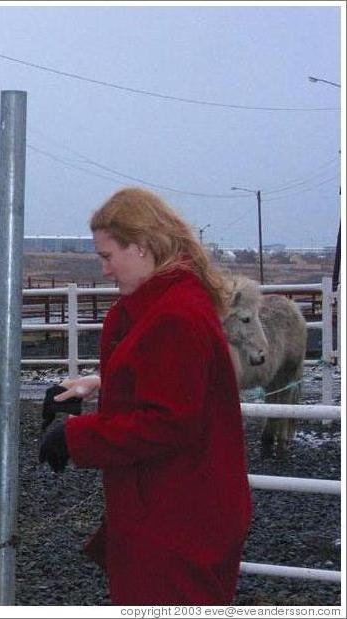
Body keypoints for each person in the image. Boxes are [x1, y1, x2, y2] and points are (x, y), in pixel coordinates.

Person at [39, 187, 252, 605]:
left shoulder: (174, 316)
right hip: (175, 508)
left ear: (140, 248)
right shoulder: (167, 305)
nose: (105, 270)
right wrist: (94, 385)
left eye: (107, 256)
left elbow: (167, 422)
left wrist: (76, 437)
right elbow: (164, 377)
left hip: (177, 519)